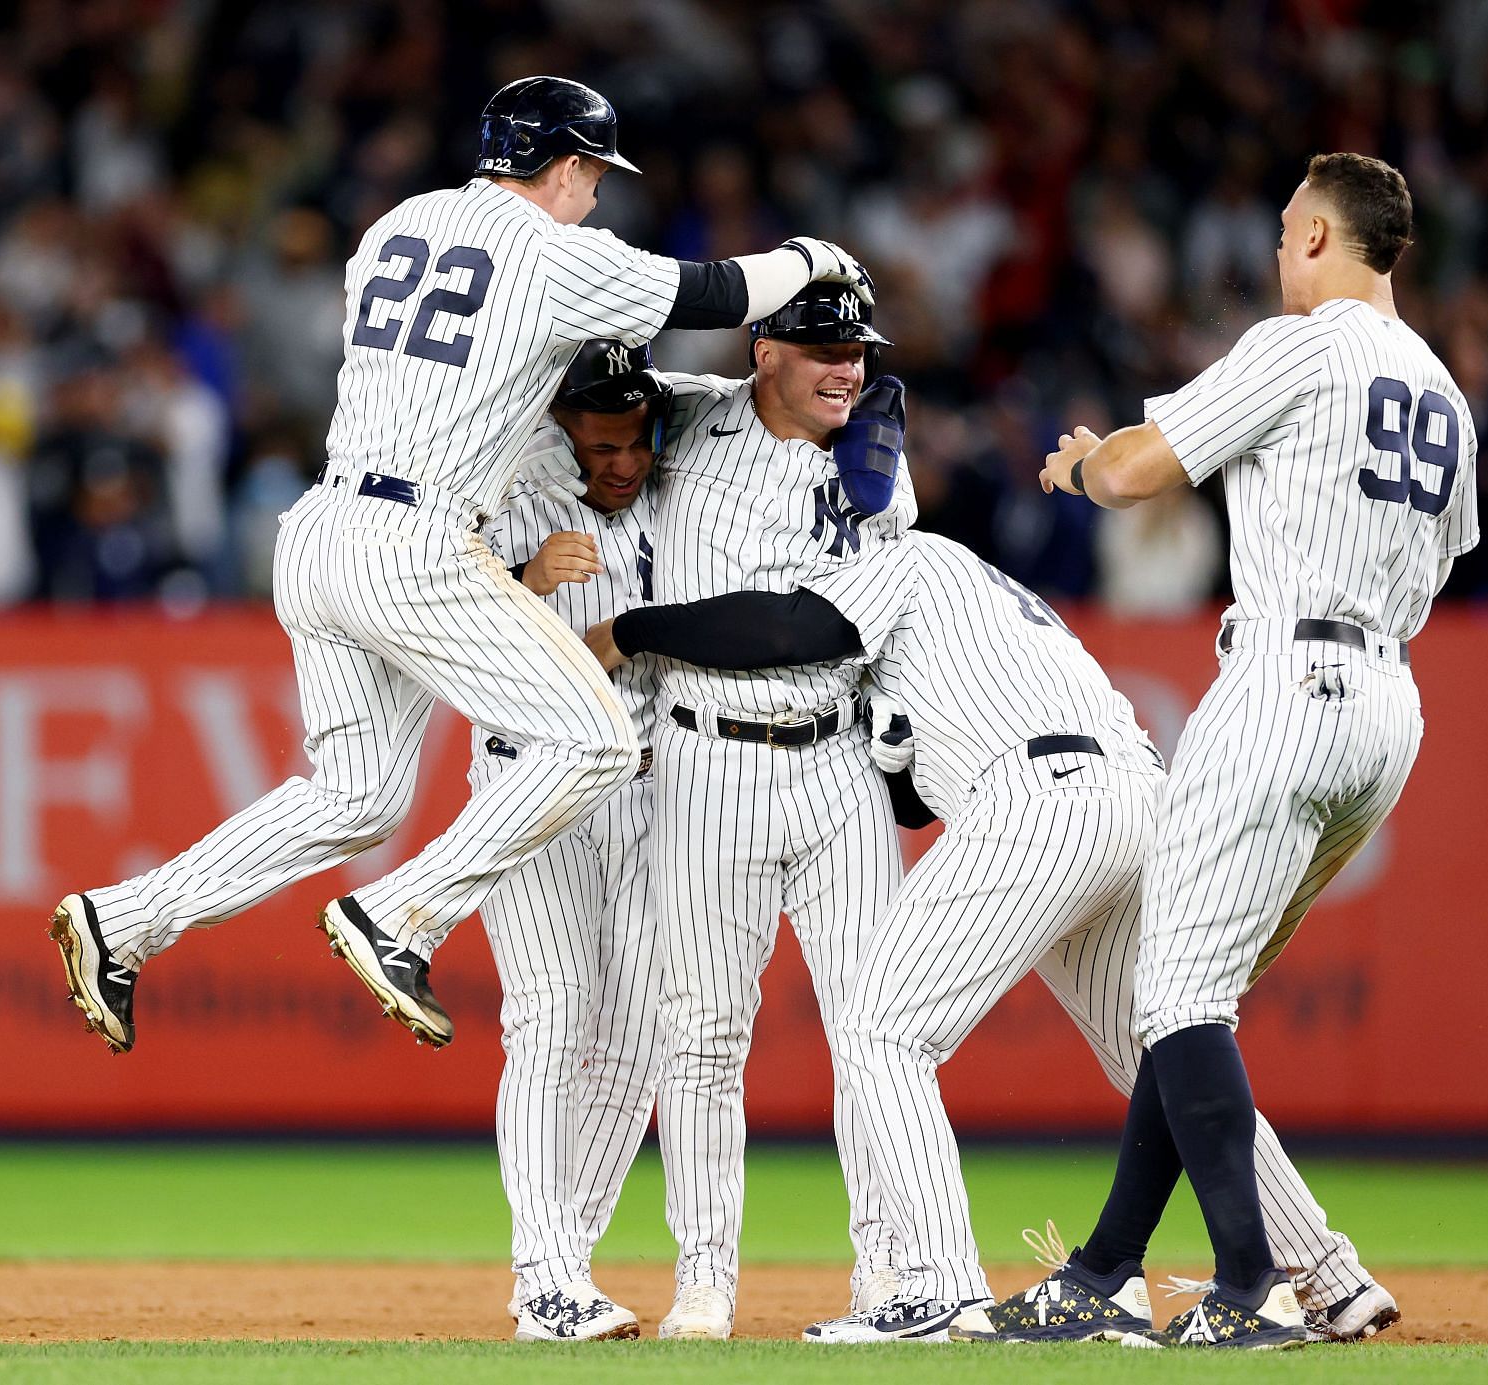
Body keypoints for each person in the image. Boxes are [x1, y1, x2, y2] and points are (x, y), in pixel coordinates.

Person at [48, 75, 876, 1056]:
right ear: (564, 165)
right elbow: (714, 294)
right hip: (418, 535)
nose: (598, 193)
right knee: (596, 741)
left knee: (354, 797)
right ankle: (402, 914)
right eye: (594, 174)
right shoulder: (556, 252)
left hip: (319, 529)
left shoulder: (398, 225)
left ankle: (124, 920)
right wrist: (811, 257)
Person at [588, 525, 1399, 1345]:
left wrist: (633, 629)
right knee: (1156, 1056)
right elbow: (910, 797)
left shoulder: (903, 555)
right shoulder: (982, 601)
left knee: (882, 1030)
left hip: (1039, 797)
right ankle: (1330, 1275)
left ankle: (941, 1281)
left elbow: (788, 628)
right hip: (1134, 801)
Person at [1011, 151, 1476, 1348]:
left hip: (1286, 675)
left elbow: (1131, 471)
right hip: (1388, 708)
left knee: (1172, 994)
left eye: (1286, 230)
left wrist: (1081, 460)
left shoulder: (1301, 344)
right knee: (1191, 1003)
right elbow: (1447, 551)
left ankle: (1251, 1282)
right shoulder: (1444, 393)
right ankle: (1116, 1265)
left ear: (1323, 237)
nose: (1277, 251)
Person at [609, 276, 916, 1340]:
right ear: (764, 349)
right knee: (697, 1038)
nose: (848, 366)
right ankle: (704, 1279)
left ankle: (890, 1272)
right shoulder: (686, 414)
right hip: (706, 763)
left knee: (880, 1032)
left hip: (837, 764)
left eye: (860, 351)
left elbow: (843, 627)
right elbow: (586, 372)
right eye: (823, 345)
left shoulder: (879, 465)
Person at [472, 340, 668, 1342]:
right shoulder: (509, 482)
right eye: (602, 439)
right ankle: (545, 1270)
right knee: (549, 1013)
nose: (623, 459)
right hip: (531, 775)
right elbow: (432, 615)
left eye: (636, 437)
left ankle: (561, 1267)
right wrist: (522, 577)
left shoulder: (676, 489)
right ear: (562, 426)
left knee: (639, 1036)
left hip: (642, 795)